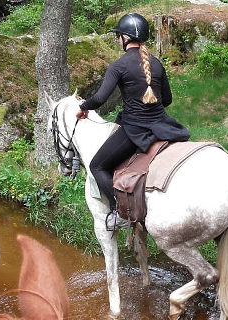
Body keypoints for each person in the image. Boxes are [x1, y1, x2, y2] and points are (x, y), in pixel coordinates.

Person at [76, 13, 190, 230]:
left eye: (118, 36)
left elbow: (99, 99)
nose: (118, 39)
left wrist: (83, 108)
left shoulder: (118, 66)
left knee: (97, 165)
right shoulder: (156, 64)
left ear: (125, 38)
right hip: (162, 127)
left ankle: (120, 212)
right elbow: (167, 100)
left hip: (134, 130)